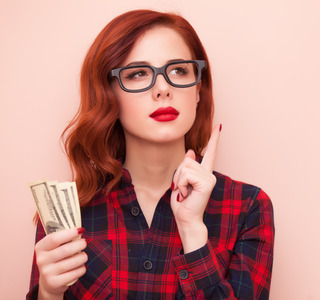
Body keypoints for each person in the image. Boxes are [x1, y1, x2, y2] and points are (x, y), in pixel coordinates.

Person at [27, 9, 274, 299]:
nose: (163, 89)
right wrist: (49, 293)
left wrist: (192, 230)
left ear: (198, 90)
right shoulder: (69, 212)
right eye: (138, 74)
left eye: (179, 70)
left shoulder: (248, 207)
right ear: (110, 94)